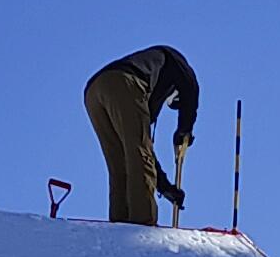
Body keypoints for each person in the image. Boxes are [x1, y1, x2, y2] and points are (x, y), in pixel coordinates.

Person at [80, 44, 200, 227]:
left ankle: (119, 223)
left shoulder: (147, 93)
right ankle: (143, 223)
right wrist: (185, 129)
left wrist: (165, 186)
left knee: (119, 161)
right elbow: (191, 89)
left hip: (94, 93)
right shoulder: (174, 59)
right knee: (137, 157)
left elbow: (145, 150)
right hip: (123, 81)